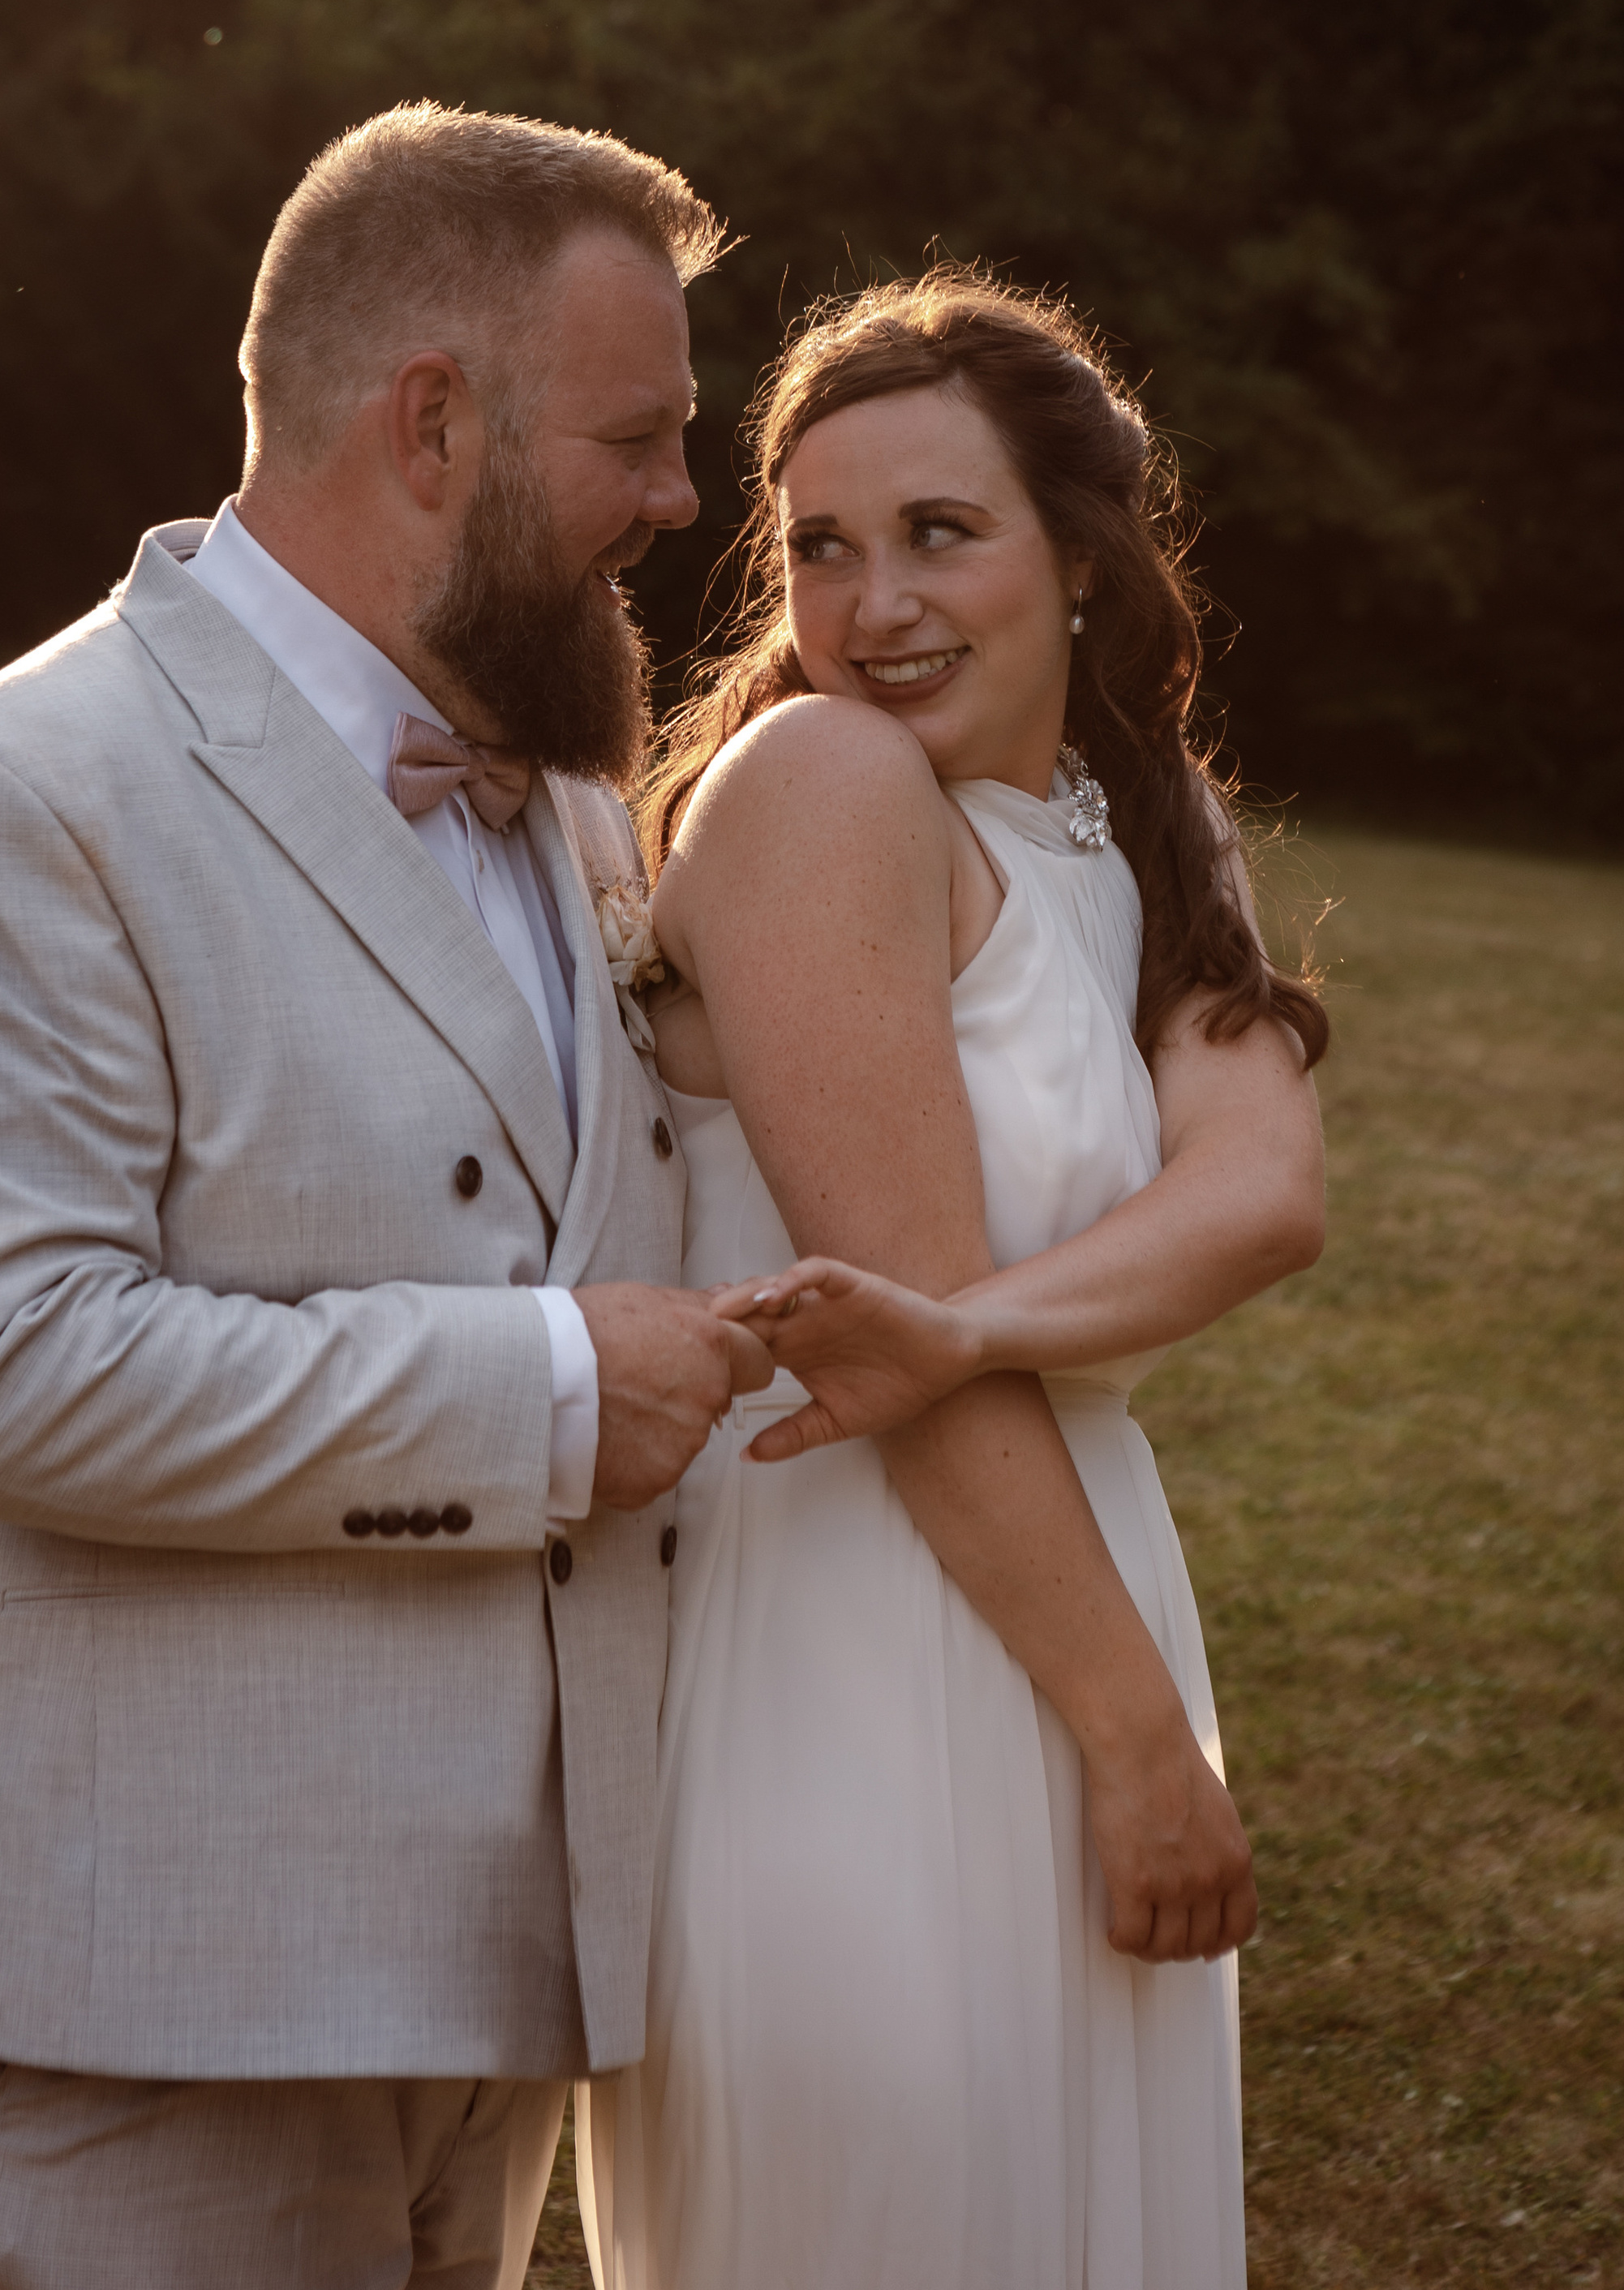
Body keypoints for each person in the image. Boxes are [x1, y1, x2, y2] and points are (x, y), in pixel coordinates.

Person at [0, 103, 779, 2290]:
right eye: (644, 434)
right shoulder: (7, 803)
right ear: (433, 426)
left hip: (486, 1976)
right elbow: (7, 1371)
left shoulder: (575, 801)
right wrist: (554, 1394)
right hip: (136, 1979)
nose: (688, 500)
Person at [578, 270, 1330, 2290]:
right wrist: (1138, 1745)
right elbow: (881, 1357)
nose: (871, 603)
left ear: (1078, 561)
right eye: (818, 545)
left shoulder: (1142, 827)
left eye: (938, 533)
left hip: (1060, 1580)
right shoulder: (823, 790)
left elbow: (1260, 1191)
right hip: (847, 1642)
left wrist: (971, 1324)